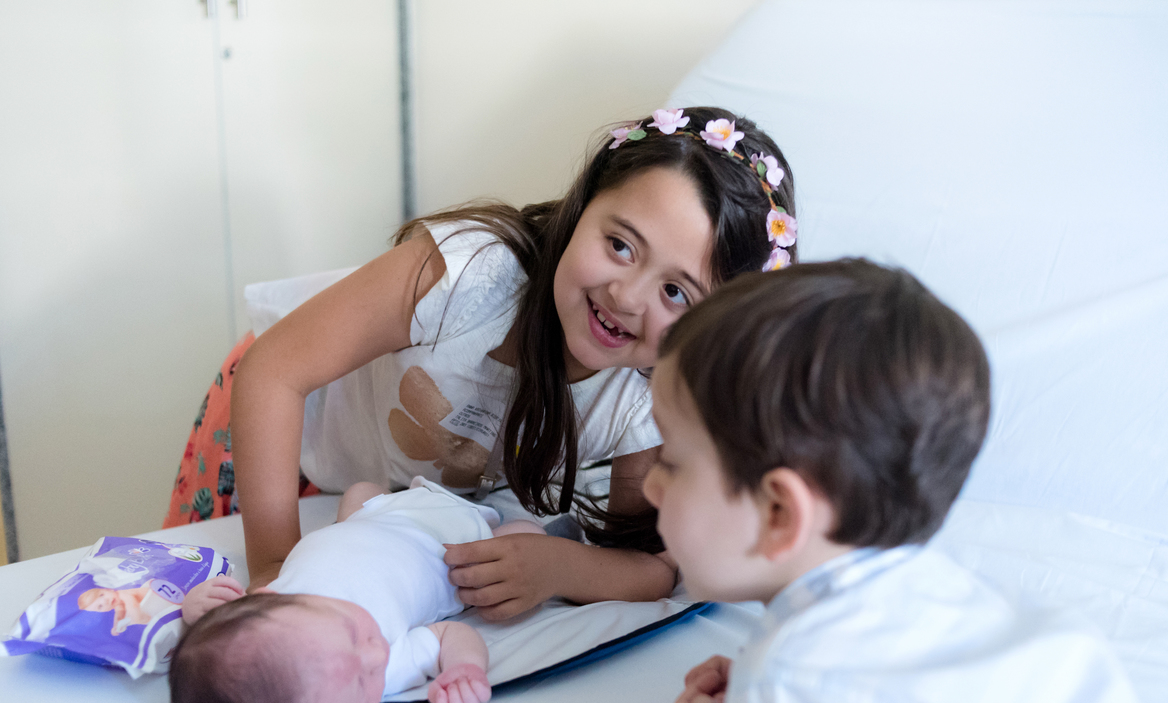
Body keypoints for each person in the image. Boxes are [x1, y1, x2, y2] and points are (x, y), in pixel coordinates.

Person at [167, 107, 798, 621]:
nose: (626, 297)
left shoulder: (649, 395)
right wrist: (275, 566)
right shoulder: (470, 271)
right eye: (619, 244)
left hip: (379, 503)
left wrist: (559, 567)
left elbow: (652, 562)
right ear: (582, 207)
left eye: (676, 292)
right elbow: (275, 373)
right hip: (278, 428)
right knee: (208, 622)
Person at [645, 262, 1168, 703]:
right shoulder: (944, 597)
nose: (649, 486)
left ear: (780, 514)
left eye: (670, 459)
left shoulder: (797, 690)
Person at [170, 478, 542, 703]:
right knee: (527, 538)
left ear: (267, 596)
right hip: (458, 544)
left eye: (352, 633)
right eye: (363, 682)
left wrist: (195, 608)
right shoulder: (391, 667)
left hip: (378, 514)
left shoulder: (268, 610)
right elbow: (452, 637)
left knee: (360, 490)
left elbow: (218, 637)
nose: (376, 652)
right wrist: (465, 668)